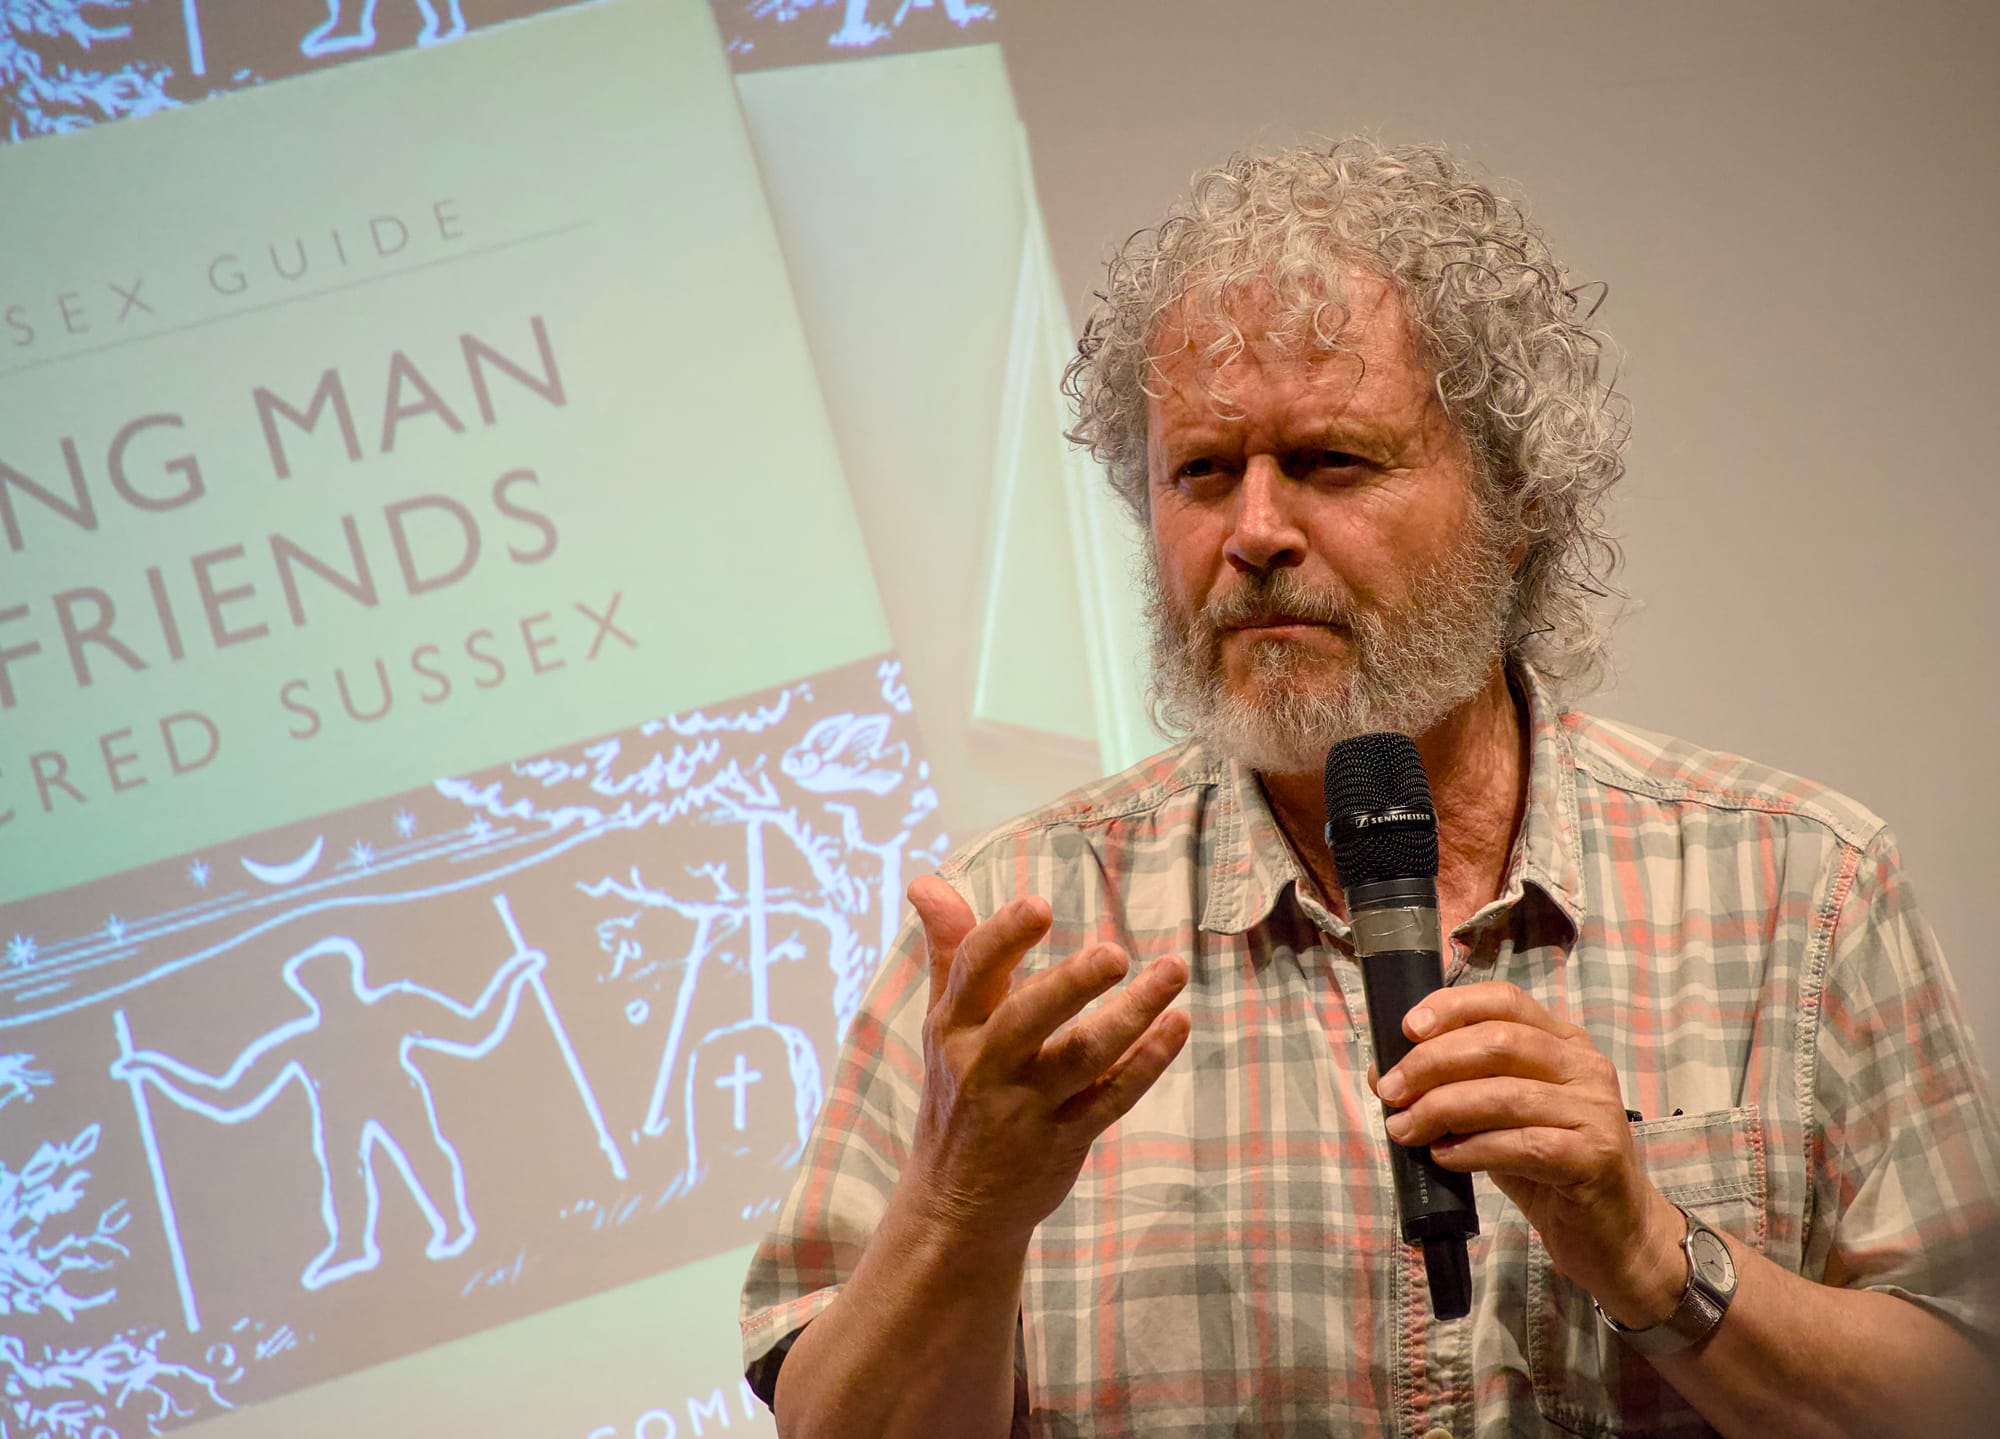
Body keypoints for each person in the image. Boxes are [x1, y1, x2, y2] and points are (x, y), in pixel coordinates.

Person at [738, 139, 2000, 1437]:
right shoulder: (1020, 929)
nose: (1255, 531)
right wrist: (965, 1208)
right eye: (1202, 472)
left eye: (1330, 461)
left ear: (1517, 502)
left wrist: (1652, 1255)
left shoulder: (1800, 885)